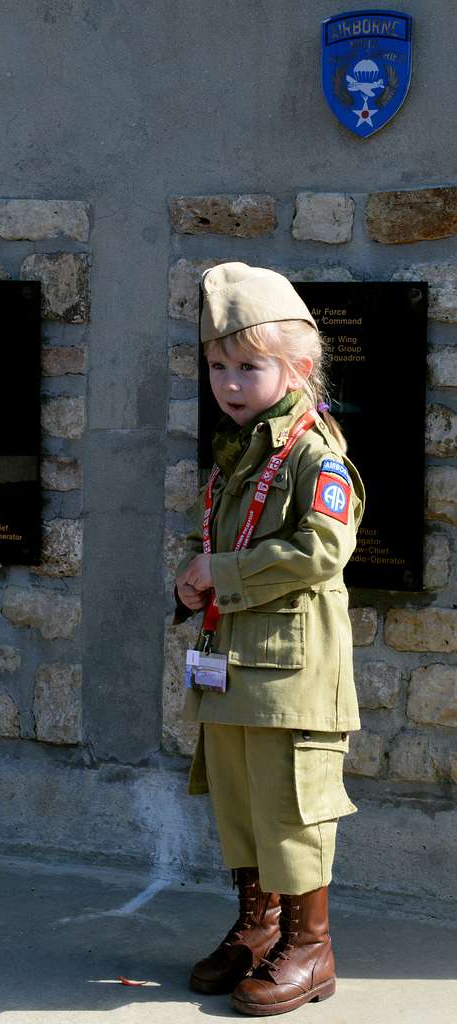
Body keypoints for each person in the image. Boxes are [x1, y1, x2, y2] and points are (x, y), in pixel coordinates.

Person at [173, 262, 365, 1017]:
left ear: (300, 368)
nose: (227, 381)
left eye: (247, 365)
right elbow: (218, 540)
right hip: (234, 666)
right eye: (217, 365)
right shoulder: (240, 452)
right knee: (242, 807)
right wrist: (195, 581)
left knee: (291, 811)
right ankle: (259, 930)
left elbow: (322, 551)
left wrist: (219, 569)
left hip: (291, 675)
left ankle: (310, 948)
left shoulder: (314, 457)